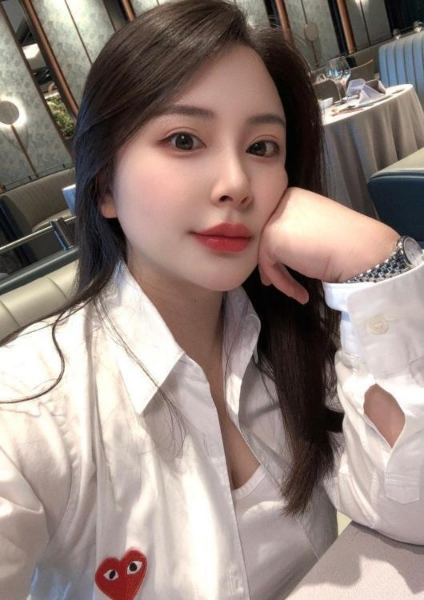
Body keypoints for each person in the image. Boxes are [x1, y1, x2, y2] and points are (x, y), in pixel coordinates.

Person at [0, 1, 423, 599]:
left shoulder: (300, 332)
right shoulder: (32, 405)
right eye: (184, 139)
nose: (236, 184)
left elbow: (412, 508)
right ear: (104, 187)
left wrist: (373, 260)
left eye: (262, 147)